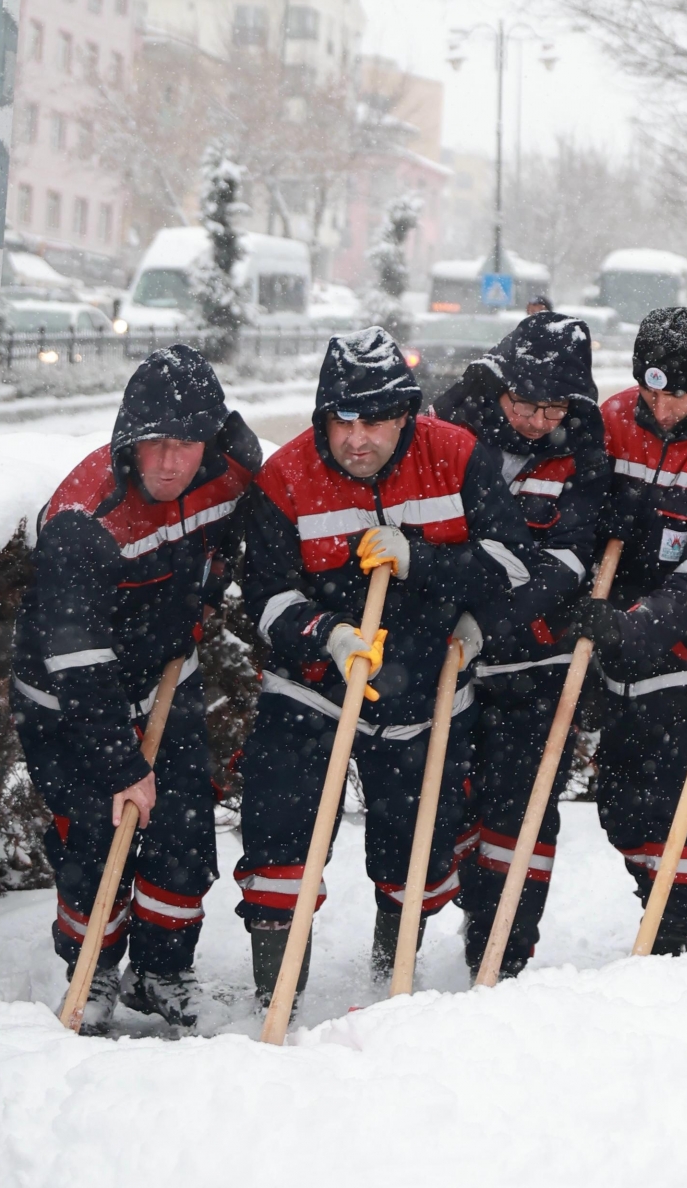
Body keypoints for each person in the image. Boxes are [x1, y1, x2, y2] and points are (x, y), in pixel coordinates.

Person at [237, 327, 577, 1007]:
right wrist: (325, 634)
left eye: (374, 423)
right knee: (282, 836)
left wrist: (422, 559)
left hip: (425, 685)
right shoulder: (286, 477)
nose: (355, 440)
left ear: (405, 417)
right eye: (341, 422)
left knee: (414, 850)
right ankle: (274, 996)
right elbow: (266, 597)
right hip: (315, 690)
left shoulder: (455, 457)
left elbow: (512, 564)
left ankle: (391, 975)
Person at [13, 345, 262, 1032]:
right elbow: (78, 657)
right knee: (92, 839)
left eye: (185, 444)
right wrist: (122, 765)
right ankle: (90, 970)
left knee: (182, 828)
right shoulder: (82, 520)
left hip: (163, 677)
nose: (168, 463)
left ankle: (162, 970)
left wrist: (212, 578)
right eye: (151, 445)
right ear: (127, 437)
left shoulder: (233, 468)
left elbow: (242, 528)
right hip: (67, 697)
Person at [558, 307, 687, 955]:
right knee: (620, 805)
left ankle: (678, 940)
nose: (660, 408)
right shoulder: (614, 419)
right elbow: (572, 511)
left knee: (675, 806)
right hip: (615, 646)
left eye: (676, 395)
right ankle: (655, 905)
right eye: (650, 391)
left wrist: (636, 626)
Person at [431, 311, 608, 979]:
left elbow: (565, 562)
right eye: (525, 404)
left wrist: (497, 615)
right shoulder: (446, 432)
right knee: (444, 800)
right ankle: (441, 900)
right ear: (496, 386)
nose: (539, 420)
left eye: (553, 407)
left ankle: (502, 944)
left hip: (536, 655)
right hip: (446, 656)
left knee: (523, 807)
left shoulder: (582, 450)